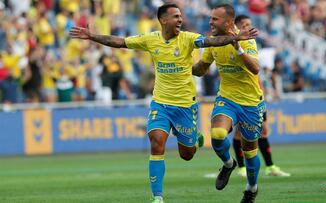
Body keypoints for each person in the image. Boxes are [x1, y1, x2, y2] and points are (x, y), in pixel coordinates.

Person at [69, 3, 258, 203]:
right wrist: (92, 36)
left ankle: (194, 138)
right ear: (163, 20)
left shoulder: (188, 38)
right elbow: (120, 42)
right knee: (157, 142)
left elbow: (212, 41)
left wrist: (234, 39)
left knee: (187, 154)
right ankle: (157, 197)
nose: (180, 19)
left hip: (185, 106)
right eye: (175, 16)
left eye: (180, 16)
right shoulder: (151, 40)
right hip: (160, 103)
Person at [193, 4, 263, 203]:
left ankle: (251, 188)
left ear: (229, 22)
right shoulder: (213, 41)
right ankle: (228, 163)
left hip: (250, 102)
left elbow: (256, 69)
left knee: (249, 152)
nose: (210, 22)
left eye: (215, 19)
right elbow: (202, 68)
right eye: (210, 18)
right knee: (217, 134)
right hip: (227, 98)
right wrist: (184, 67)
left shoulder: (245, 38)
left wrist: (238, 47)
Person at [233, 15, 291, 178]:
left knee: (263, 131)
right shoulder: (234, 46)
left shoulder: (254, 46)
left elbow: (260, 73)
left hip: (257, 97)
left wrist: (266, 90)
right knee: (239, 133)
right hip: (240, 97)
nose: (248, 28)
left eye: (250, 24)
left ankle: (270, 166)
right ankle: (241, 167)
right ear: (236, 28)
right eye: (244, 25)